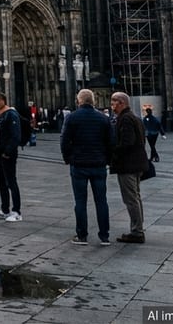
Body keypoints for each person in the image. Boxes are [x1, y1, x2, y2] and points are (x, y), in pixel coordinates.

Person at [61, 88, 113, 246]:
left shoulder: (72, 117)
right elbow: (111, 142)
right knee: (101, 201)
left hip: (79, 165)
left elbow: (64, 140)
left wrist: (68, 158)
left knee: (80, 201)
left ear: (79, 101)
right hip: (98, 164)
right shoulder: (103, 118)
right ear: (93, 101)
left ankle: (82, 235)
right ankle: (104, 236)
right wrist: (107, 160)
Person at [110, 92, 148, 244]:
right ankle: (138, 228)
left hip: (128, 165)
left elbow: (127, 142)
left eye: (113, 104)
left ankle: (137, 232)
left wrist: (113, 153)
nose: (112, 107)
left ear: (121, 103)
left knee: (131, 199)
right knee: (135, 197)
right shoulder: (134, 117)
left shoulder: (125, 119)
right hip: (137, 163)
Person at [0, 92, 23, 222]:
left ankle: (16, 211)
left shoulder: (11, 114)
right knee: (1, 182)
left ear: (3, 101)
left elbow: (16, 136)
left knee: (11, 181)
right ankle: (5, 209)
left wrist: (8, 152)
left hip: (7, 154)